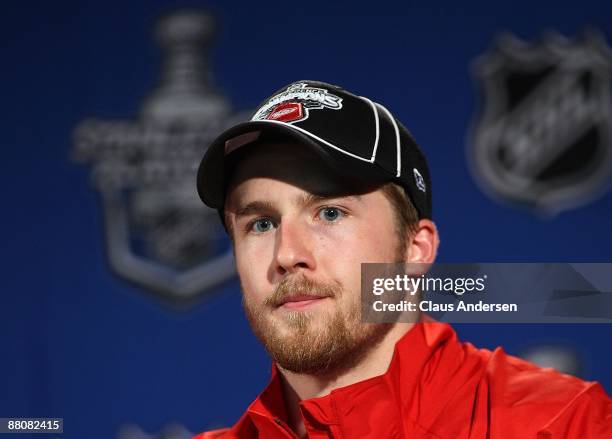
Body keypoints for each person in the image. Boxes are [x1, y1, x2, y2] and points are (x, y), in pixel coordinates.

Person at [193, 80, 612, 438]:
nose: (287, 255)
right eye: (262, 224)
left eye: (330, 213)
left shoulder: (562, 424)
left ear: (416, 249)